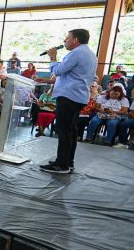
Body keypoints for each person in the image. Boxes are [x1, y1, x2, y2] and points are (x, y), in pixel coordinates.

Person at [40, 29, 98, 173]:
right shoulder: (90, 54)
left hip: (69, 96)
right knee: (71, 130)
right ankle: (67, 161)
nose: (64, 41)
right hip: (78, 96)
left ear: (75, 40)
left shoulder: (76, 53)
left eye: (67, 39)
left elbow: (58, 71)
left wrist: (53, 58)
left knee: (64, 129)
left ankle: (61, 165)